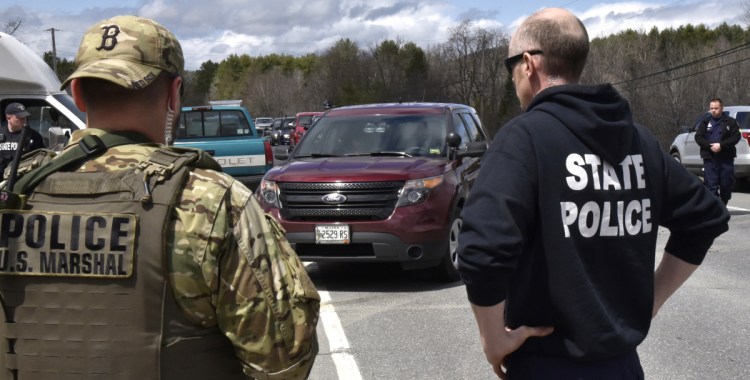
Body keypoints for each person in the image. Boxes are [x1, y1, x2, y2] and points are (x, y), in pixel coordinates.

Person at [0, 15, 319, 379]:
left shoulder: (14, 193)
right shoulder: (210, 201)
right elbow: (285, 358)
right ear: (173, 92)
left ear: (78, 95)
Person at [456, 8, 730, 380]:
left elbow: (482, 247)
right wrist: (652, 299)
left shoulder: (525, 139)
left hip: (546, 364)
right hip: (622, 367)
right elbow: (705, 217)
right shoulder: (640, 141)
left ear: (528, 64)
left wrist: (493, 340)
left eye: (510, 68)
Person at [695, 98, 741, 205]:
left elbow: (736, 137)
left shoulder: (730, 121)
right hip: (710, 158)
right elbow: (698, 137)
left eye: (716, 108)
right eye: (711, 108)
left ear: (721, 108)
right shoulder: (705, 122)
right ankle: (717, 208)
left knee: (726, 183)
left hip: (726, 158)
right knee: (711, 185)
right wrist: (708, 146)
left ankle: (723, 202)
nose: (713, 110)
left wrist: (721, 145)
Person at [1, 102, 46, 180]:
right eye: (20, 117)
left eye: (25, 117)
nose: (24, 120)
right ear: (8, 118)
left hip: (22, 181)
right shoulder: (1, 133)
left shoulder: (34, 136)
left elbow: (41, 159)